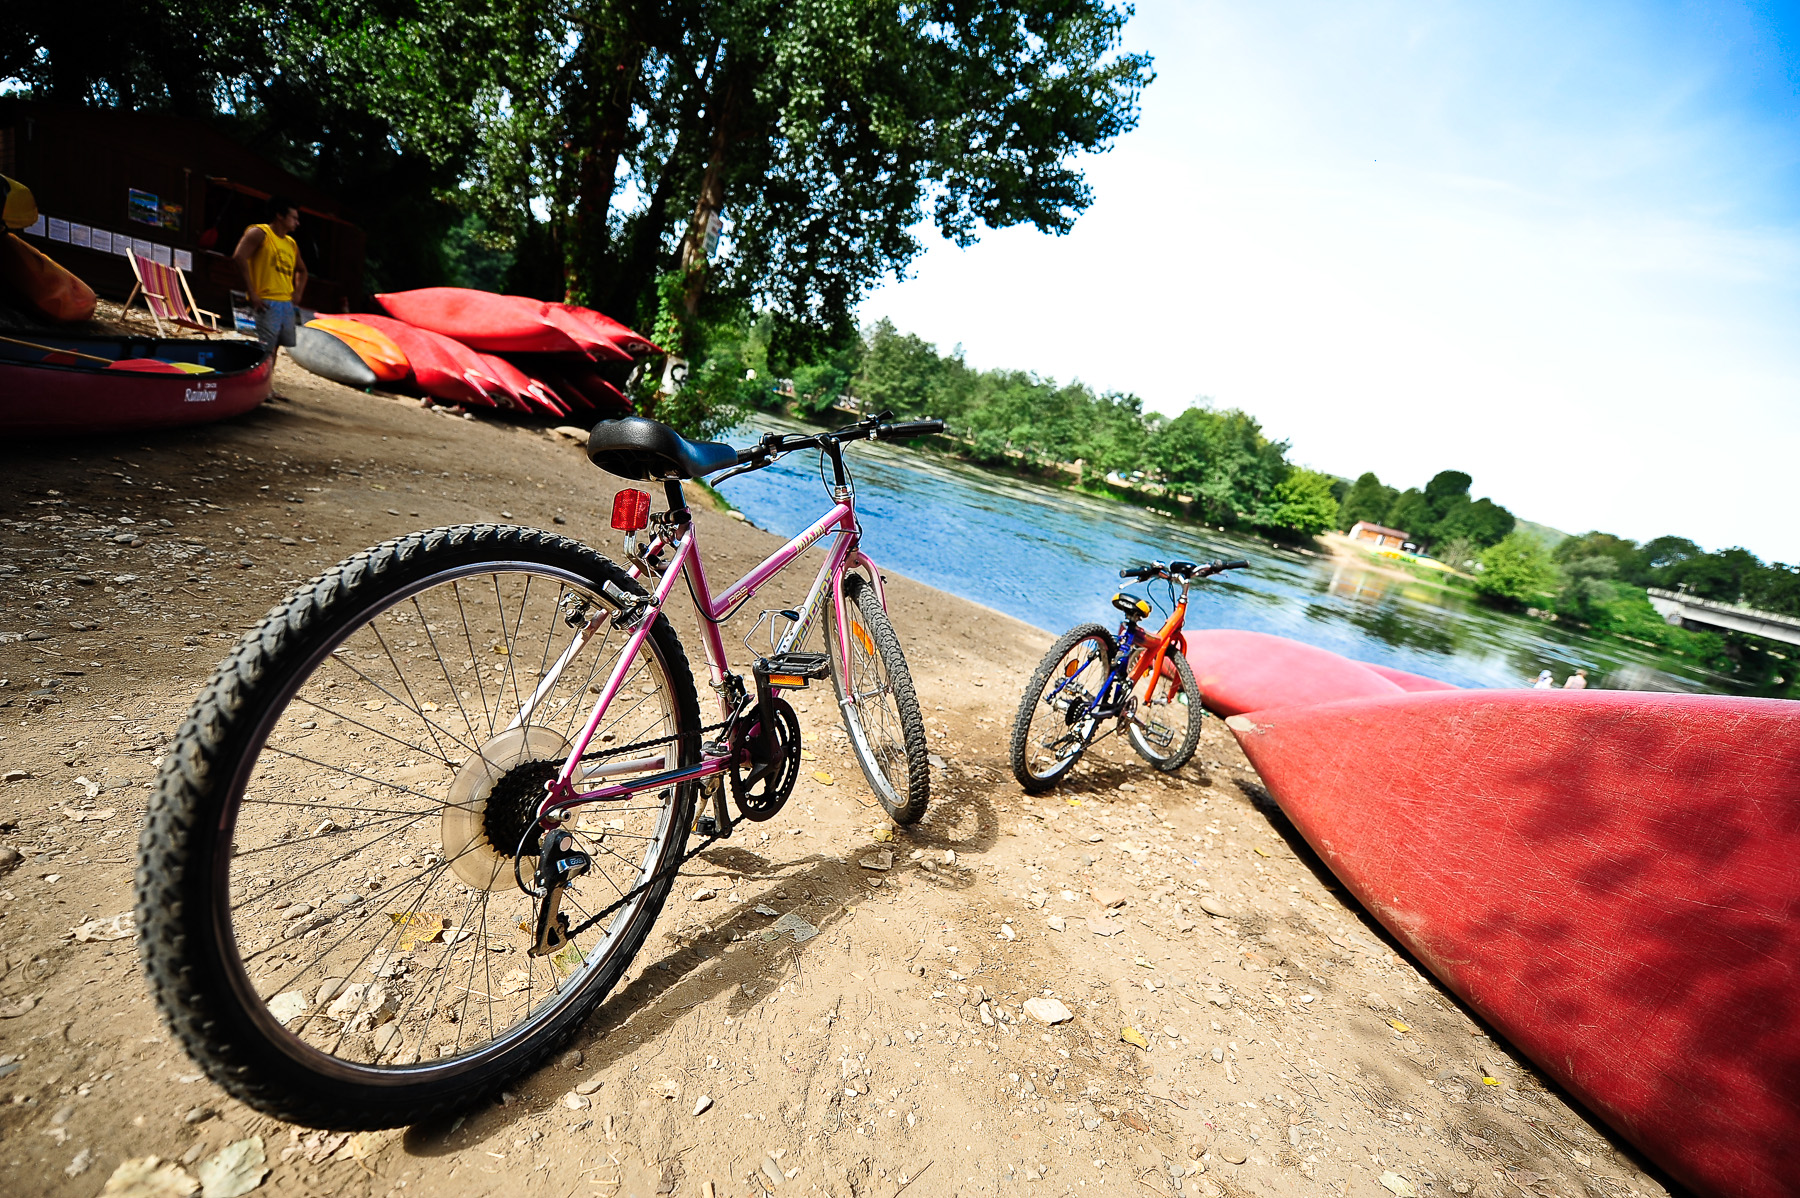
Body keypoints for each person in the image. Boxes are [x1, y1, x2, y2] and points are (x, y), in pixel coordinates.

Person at [232, 196, 308, 357]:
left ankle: (267, 379)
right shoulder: (260, 232)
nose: (297, 222)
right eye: (294, 218)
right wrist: (251, 292)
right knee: (264, 347)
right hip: (266, 300)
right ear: (280, 215)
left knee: (276, 347)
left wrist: (298, 292)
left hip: (286, 302)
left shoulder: (291, 243)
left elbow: (302, 270)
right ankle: (256, 379)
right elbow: (239, 257)